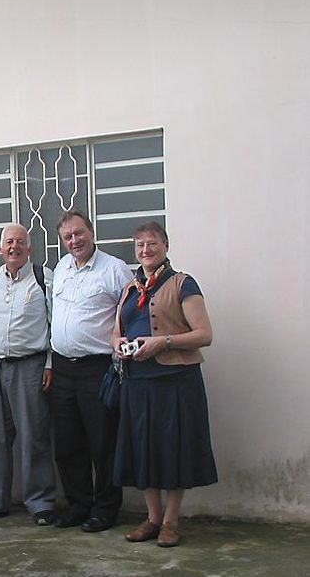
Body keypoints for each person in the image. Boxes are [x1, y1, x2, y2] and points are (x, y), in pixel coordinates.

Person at [113, 221, 215, 548]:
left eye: (152, 243)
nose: (146, 250)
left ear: (166, 245)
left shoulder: (183, 283)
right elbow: (116, 331)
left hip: (175, 382)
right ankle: (152, 518)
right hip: (138, 383)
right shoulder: (131, 288)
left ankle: (171, 521)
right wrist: (117, 344)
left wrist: (163, 343)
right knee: (144, 449)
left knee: (173, 449)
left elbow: (204, 334)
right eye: (140, 245)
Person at [50, 211, 134, 532]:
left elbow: (129, 316)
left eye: (79, 233)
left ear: (91, 232)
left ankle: (105, 510)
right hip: (62, 367)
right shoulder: (60, 269)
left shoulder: (114, 270)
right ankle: (78, 505)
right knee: (69, 443)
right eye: (68, 237)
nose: (74, 240)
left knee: (103, 443)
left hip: (97, 368)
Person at [0, 224, 58, 526]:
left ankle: (40, 502)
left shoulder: (43, 278)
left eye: (20, 242)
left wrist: (50, 363)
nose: (14, 247)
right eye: (9, 242)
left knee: (33, 436)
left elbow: (55, 323)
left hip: (31, 365)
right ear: (0, 249)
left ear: (30, 248)